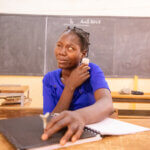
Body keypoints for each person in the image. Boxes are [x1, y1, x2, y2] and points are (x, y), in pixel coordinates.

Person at [41, 27, 114, 145]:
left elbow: (107, 103)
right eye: (59, 45)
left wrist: (80, 116)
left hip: (90, 136)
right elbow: (50, 120)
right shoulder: (49, 79)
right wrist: (70, 85)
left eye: (71, 48)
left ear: (83, 54)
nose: (61, 52)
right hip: (61, 138)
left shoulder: (92, 71)